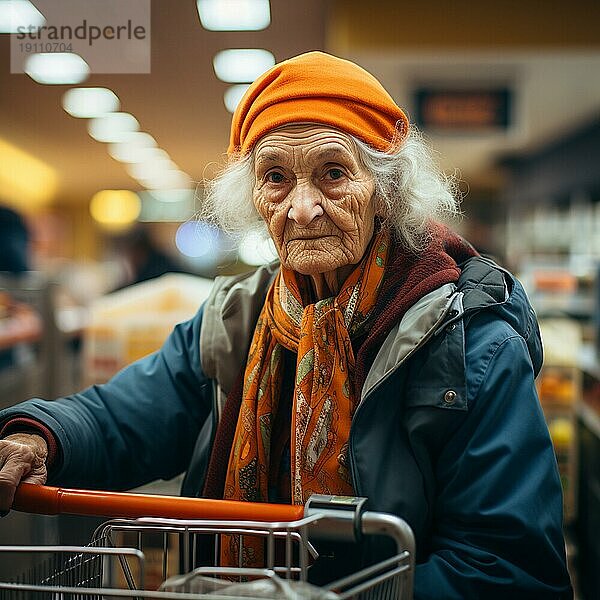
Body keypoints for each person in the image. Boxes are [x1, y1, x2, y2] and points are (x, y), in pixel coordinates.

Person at [0, 52, 572, 598]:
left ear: (386, 191)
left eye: (332, 173)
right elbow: (122, 417)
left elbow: (510, 569)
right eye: (275, 177)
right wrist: (38, 434)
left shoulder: (473, 343)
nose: (301, 208)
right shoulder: (235, 319)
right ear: (254, 199)